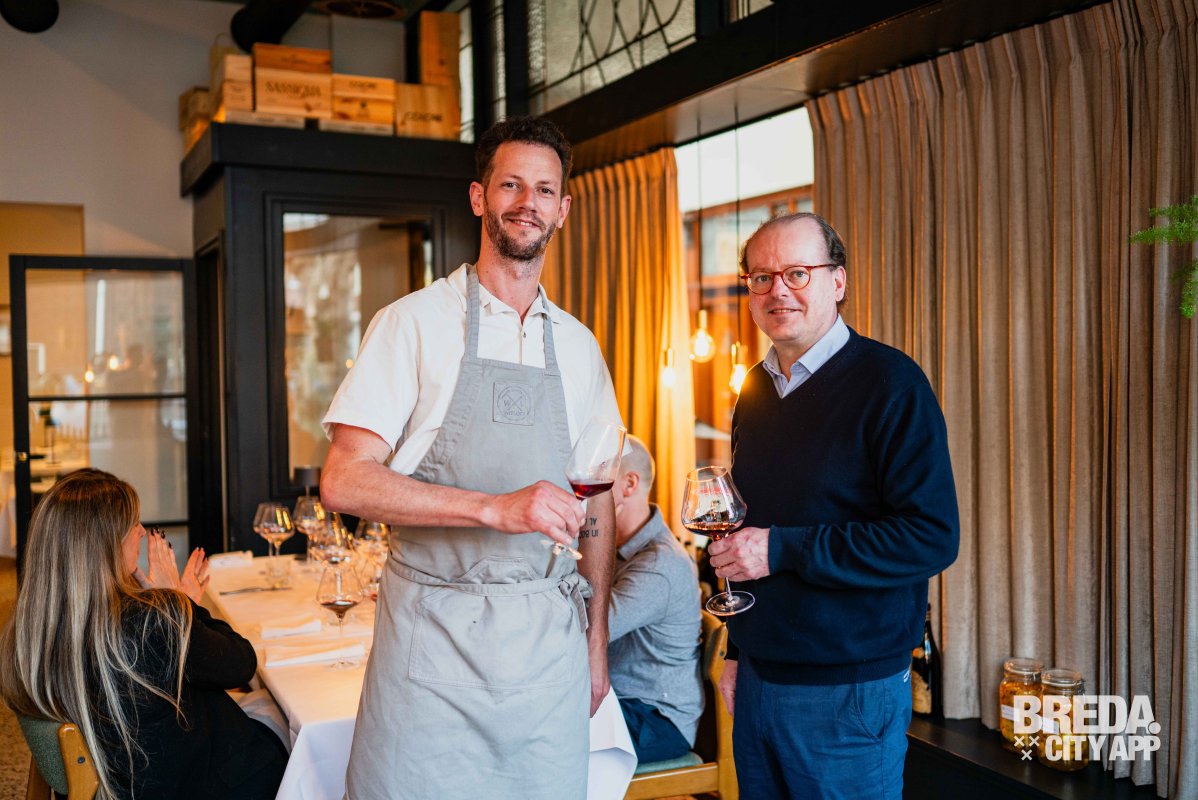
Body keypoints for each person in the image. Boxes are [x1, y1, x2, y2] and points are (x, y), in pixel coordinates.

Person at [321, 116, 622, 800]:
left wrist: (597, 640)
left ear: (563, 210)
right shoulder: (410, 323)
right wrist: (493, 507)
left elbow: (598, 499)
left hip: (548, 656)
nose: (527, 202)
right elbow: (343, 480)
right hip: (431, 649)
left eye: (544, 190)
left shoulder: (581, 348)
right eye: (511, 185)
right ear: (480, 197)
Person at [707, 212, 959, 799]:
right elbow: (749, 532)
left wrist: (782, 549)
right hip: (758, 682)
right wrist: (737, 650)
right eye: (762, 277)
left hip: (848, 693)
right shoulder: (753, 392)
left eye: (797, 273)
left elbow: (930, 537)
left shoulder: (892, 384)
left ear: (837, 281)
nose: (778, 291)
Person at [0, 468, 288, 800]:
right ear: (106, 545)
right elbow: (241, 664)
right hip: (200, 784)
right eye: (133, 524)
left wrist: (172, 608)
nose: (141, 531)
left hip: (128, 778)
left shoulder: (31, 631)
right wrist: (181, 603)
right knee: (295, 725)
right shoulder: (145, 621)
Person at [608, 435, 703, 763]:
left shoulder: (658, 564)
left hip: (657, 717)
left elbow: (589, 631)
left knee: (546, 734)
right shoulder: (617, 549)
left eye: (598, 475)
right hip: (623, 701)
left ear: (629, 484)